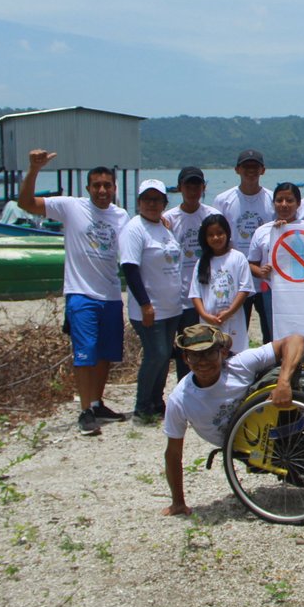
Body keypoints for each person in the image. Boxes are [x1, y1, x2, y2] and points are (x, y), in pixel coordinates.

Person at [18, 149, 129, 436]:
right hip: (81, 293)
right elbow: (26, 203)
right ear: (88, 188)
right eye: (97, 185)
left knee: (106, 354)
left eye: (107, 185)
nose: (102, 190)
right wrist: (33, 170)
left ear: (114, 188)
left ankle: (97, 402)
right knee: (85, 354)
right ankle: (84, 411)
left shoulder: (121, 215)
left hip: (111, 294)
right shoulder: (70, 206)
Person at [161, 325, 304, 516]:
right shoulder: (180, 399)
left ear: (222, 352)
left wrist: (283, 382)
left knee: (289, 370)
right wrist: (178, 502)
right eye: (195, 356)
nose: (203, 362)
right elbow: (173, 453)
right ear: (185, 359)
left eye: (209, 354)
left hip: (272, 422)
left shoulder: (239, 364)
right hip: (242, 446)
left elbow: (296, 339)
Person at [120, 179, 185, 425]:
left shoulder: (163, 227)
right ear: (138, 202)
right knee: (155, 354)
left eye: (157, 199)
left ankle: (157, 403)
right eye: (146, 199)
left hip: (172, 308)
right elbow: (130, 268)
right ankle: (142, 406)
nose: (151, 204)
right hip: (150, 309)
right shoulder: (134, 228)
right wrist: (145, 304)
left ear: (164, 203)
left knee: (164, 355)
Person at [164, 167, 220, 379]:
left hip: (209, 294)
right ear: (179, 188)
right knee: (186, 349)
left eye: (197, 185)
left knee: (210, 346)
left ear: (204, 188)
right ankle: (185, 388)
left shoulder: (212, 215)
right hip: (181, 296)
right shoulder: (168, 218)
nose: (193, 190)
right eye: (188, 185)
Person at [214, 150, 274, 343]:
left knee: (271, 333)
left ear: (263, 170)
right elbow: (215, 234)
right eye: (246, 167)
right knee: (234, 334)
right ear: (237, 169)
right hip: (236, 278)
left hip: (266, 278)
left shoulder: (273, 200)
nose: (250, 171)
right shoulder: (223, 200)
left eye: (255, 167)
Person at [189, 213, 252, 354]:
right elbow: (195, 294)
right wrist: (205, 315)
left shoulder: (238, 257)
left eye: (220, 233)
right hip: (209, 321)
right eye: (210, 235)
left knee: (236, 355)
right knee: (211, 354)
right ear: (205, 238)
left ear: (227, 233)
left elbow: (245, 288)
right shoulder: (202, 262)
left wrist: (229, 312)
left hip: (234, 318)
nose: (216, 238)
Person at [247, 182, 301, 343]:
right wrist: (261, 272)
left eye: (289, 200)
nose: (284, 205)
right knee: (273, 333)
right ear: (274, 203)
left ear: (298, 203)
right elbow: (251, 264)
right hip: (271, 290)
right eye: (279, 200)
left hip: (302, 290)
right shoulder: (262, 231)